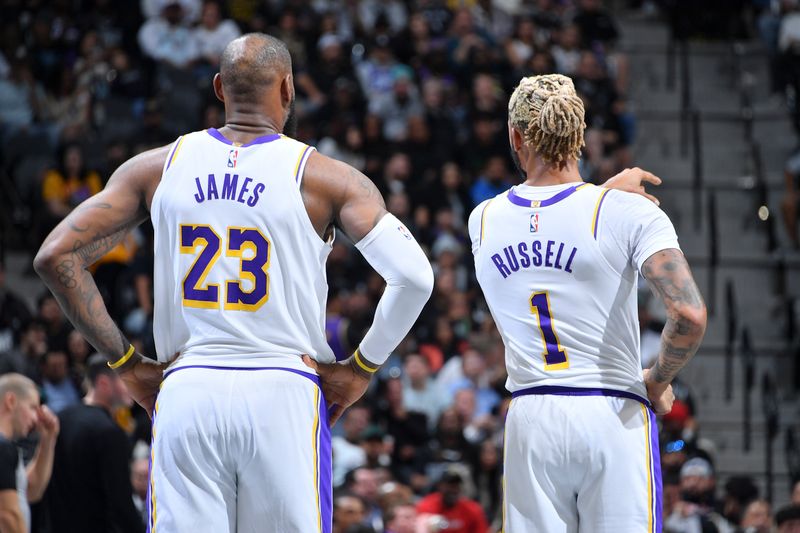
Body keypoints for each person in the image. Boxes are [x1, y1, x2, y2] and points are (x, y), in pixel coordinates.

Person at [34, 33, 434, 532]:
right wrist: (361, 367)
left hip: (189, 389)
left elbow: (56, 256)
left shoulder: (158, 168)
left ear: (220, 87)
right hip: (283, 391)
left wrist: (126, 363)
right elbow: (415, 278)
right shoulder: (328, 179)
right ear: (288, 89)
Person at [468, 74, 707, 532]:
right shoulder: (626, 211)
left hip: (531, 417)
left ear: (516, 137)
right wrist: (658, 380)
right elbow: (690, 314)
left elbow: (554, 216)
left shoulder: (482, 219)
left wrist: (603, 192)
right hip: (611, 412)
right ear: (580, 137)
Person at [47, 355, 143, 533]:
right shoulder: (110, 432)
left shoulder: (59, 419)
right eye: (126, 381)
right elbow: (120, 503)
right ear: (104, 383)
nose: (133, 387)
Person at [0, 373, 59, 533]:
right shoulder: (2, 447)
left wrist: (48, 439)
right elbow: (8, 514)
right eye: (33, 407)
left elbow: (30, 491)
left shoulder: (8, 447)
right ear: (11, 401)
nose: (36, 418)